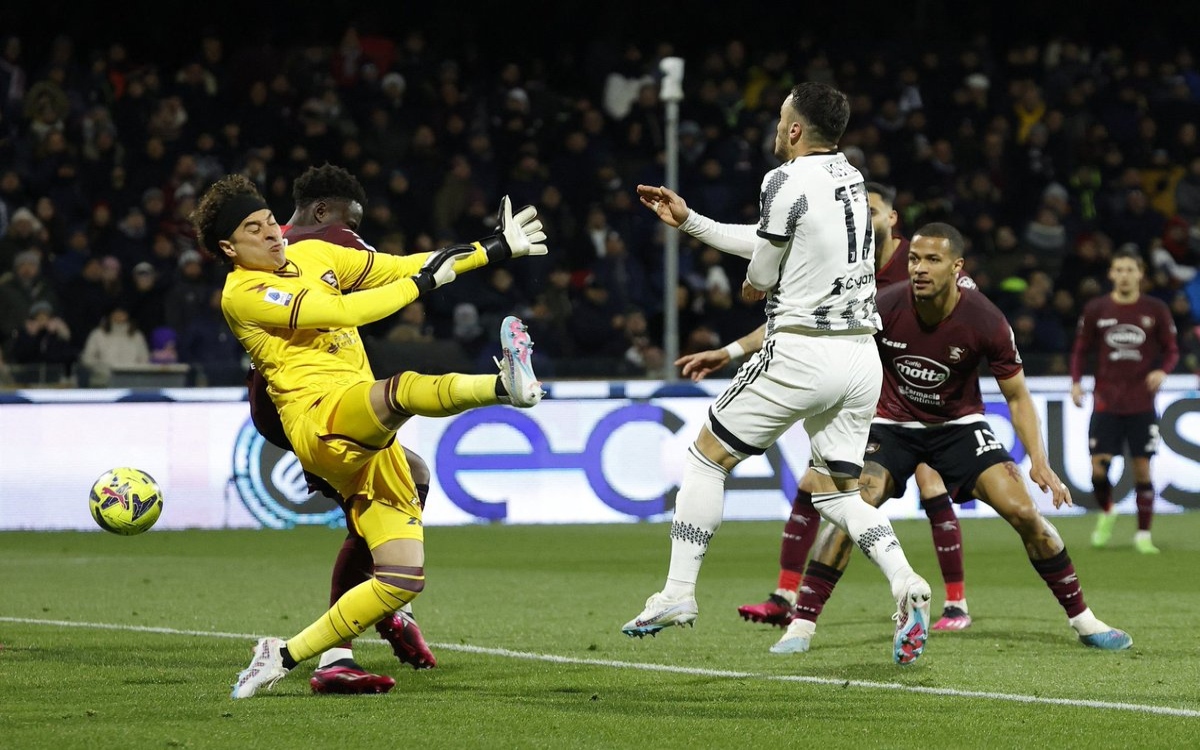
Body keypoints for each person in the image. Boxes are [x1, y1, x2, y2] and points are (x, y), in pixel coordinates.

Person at [190, 174, 548, 698]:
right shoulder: (243, 294)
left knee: (401, 580)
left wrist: (493, 249)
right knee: (399, 392)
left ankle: (282, 655)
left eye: (269, 221)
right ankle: (502, 386)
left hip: (363, 430)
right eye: (253, 229)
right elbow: (344, 311)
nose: (270, 233)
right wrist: (423, 285)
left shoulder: (313, 255)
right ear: (229, 247)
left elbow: (400, 267)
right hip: (318, 420)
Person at [621, 82, 933, 666]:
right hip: (860, 358)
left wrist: (756, 283)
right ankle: (906, 581)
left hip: (802, 352)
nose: (775, 126)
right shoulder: (851, 178)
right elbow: (780, 241)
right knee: (837, 494)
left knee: (706, 458)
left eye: (779, 116)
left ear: (794, 129)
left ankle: (678, 593)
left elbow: (764, 269)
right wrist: (692, 221)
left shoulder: (783, 179)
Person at [767, 222, 1131, 654]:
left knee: (1024, 513)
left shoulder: (986, 320)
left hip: (958, 427)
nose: (919, 268)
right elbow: (840, 364)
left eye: (932, 260)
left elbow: (1017, 397)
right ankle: (801, 626)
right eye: (914, 259)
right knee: (853, 511)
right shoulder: (884, 306)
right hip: (891, 426)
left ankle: (1085, 621)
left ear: (957, 267)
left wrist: (1039, 461)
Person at [721, 182, 976, 635]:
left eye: (873, 211)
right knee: (813, 483)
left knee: (931, 484)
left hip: (920, 397)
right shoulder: (844, 262)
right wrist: (730, 351)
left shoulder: (918, 265)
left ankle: (956, 603)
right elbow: (799, 320)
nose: (865, 220)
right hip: (862, 394)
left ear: (892, 218)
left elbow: (966, 316)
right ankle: (784, 596)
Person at [244, 164, 437, 695]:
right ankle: (342, 650)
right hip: (307, 404)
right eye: (351, 222)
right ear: (323, 210)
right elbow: (388, 272)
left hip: (275, 398)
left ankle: (383, 612)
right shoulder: (327, 239)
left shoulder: (268, 247)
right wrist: (459, 260)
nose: (355, 233)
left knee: (409, 476)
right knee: (376, 498)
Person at [1070, 247, 1179, 553]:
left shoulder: (1155, 309)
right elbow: (1080, 349)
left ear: (1140, 274)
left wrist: (1162, 370)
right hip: (1106, 401)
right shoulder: (1097, 309)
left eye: (1130, 269)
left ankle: (1143, 535)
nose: (1125, 275)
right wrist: (1076, 382)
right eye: (1119, 270)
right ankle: (1108, 510)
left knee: (1142, 468)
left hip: (1141, 403)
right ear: (1111, 274)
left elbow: (1172, 348)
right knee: (1098, 469)